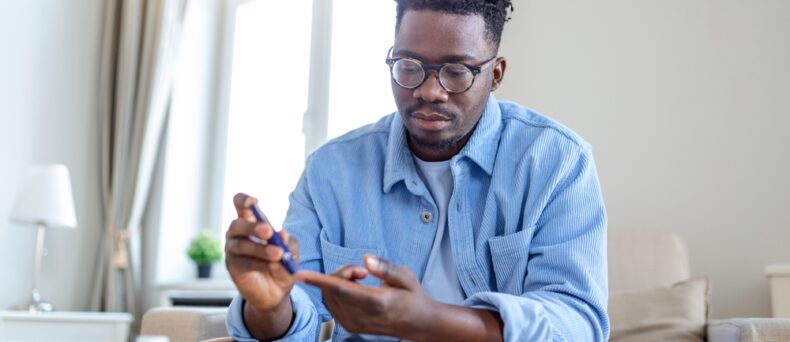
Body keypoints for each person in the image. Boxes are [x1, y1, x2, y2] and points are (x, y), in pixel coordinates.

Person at [224, 0, 609, 341]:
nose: (429, 90)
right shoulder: (330, 171)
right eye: (409, 66)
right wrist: (270, 306)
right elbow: (299, 321)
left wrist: (430, 321)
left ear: (495, 74)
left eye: (457, 71)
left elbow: (577, 323)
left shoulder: (557, 161)